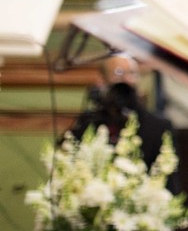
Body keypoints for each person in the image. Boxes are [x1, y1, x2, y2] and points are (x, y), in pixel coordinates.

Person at [68, 53, 182, 193]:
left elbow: (168, 181)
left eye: (132, 73)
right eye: (118, 72)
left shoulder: (158, 127)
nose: (126, 79)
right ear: (101, 80)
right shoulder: (89, 124)